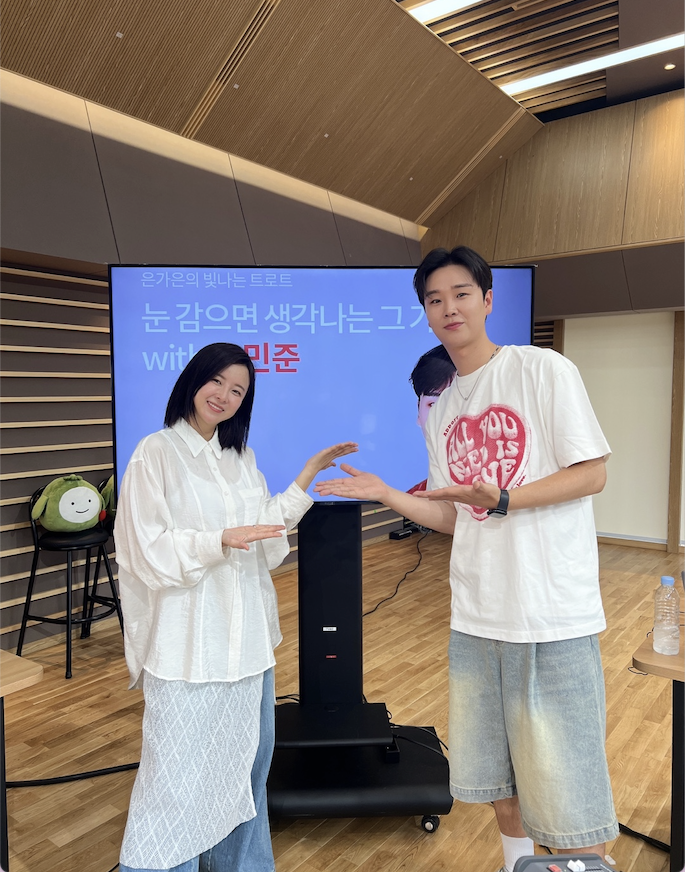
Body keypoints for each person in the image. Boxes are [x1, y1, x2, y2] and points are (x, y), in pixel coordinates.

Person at [315, 246, 618, 871]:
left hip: (550, 615)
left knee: (569, 795)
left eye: (460, 294)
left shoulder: (541, 369)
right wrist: (388, 493)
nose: (448, 308)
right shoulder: (444, 408)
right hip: (477, 618)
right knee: (499, 785)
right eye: (434, 299)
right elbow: (456, 516)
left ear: (487, 300)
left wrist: (504, 497)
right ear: (426, 314)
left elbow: (592, 473)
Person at [114, 342, 357, 872]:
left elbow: (263, 533)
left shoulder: (240, 459)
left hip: (247, 644)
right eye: (217, 381)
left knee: (245, 770)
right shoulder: (156, 453)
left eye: (238, 390)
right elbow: (145, 549)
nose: (224, 395)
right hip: (188, 647)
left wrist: (304, 477)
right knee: (174, 780)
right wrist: (216, 540)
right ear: (193, 380)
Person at [407, 344, 455, 494]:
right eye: (432, 404)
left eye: (456, 402)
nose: (443, 415)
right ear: (419, 412)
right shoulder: (412, 499)